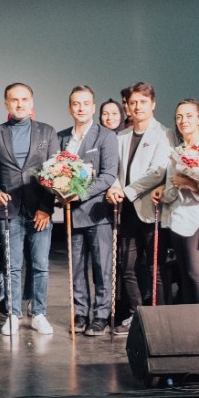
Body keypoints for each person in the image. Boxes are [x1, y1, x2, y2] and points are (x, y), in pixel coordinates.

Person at [0, 82, 59, 336]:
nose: (20, 104)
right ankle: (13, 314)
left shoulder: (47, 132)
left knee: (40, 265)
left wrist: (46, 208)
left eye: (24, 99)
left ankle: (38, 314)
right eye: (14, 100)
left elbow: (56, 172)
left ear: (31, 102)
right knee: (12, 266)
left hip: (40, 211)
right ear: (6, 104)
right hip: (9, 211)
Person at [109, 82, 173, 329]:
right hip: (125, 211)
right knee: (128, 267)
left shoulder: (164, 133)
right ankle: (136, 314)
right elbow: (114, 169)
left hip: (150, 209)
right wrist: (115, 187)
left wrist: (127, 191)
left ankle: (160, 317)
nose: (137, 107)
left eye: (143, 102)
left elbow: (158, 171)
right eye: (133, 102)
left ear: (153, 104)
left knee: (155, 267)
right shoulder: (121, 136)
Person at [57, 86, 120, 335]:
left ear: (93, 108)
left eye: (85, 103)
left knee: (102, 268)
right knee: (76, 268)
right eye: (76, 103)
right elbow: (56, 173)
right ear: (69, 108)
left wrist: (79, 194)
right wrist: (58, 191)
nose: (80, 108)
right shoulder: (62, 138)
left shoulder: (106, 136)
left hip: (97, 214)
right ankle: (80, 313)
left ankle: (101, 316)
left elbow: (108, 175)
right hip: (71, 214)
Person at [159, 99, 199, 306]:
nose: (184, 120)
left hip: (196, 217)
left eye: (189, 116)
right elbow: (171, 186)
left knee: (195, 272)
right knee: (184, 274)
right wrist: (164, 191)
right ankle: (190, 320)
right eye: (179, 117)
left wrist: (189, 183)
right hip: (177, 217)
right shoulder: (178, 150)